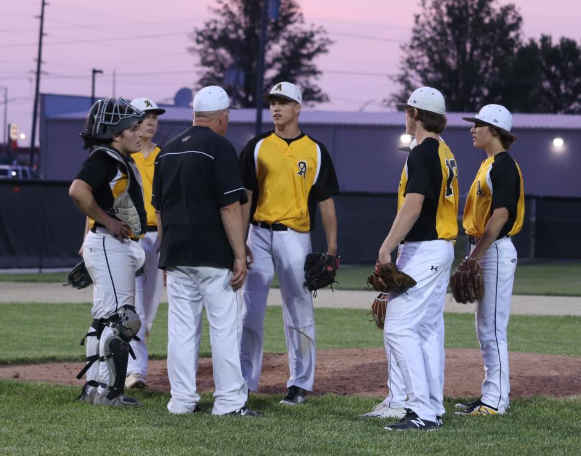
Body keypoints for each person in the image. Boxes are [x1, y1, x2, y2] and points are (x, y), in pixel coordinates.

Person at [152, 85, 257, 416]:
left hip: (176, 253)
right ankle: (228, 402)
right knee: (224, 327)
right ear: (223, 117)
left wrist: (167, 252)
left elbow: (160, 210)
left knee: (181, 330)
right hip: (212, 253)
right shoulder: (220, 147)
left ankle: (181, 401)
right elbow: (229, 207)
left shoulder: (166, 150)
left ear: (195, 113)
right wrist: (240, 253)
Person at [238, 81, 339, 405]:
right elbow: (246, 198)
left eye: (283, 102)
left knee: (299, 309)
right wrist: (240, 242)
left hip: (295, 235)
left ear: (298, 108)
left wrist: (332, 249)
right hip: (258, 233)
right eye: (272, 102)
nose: (276, 108)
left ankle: (299, 384)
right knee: (249, 312)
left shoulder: (315, 150)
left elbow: (325, 202)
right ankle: (244, 381)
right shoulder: (257, 146)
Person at [374, 87, 459, 431]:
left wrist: (386, 247)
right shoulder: (444, 151)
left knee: (398, 327)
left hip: (425, 248)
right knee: (426, 330)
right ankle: (433, 407)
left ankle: (420, 410)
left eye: (408, 110)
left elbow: (414, 203)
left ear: (416, 114)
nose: (405, 115)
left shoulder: (422, 152)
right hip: (439, 247)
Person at [70, 97, 147, 407]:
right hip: (108, 243)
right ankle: (111, 393)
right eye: (134, 128)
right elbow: (77, 190)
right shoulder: (105, 158)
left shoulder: (114, 157)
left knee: (103, 320)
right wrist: (107, 222)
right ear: (116, 134)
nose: (140, 133)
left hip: (106, 243)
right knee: (123, 320)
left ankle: (95, 387)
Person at [455, 104, 524, 416]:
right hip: (487, 250)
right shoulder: (490, 164)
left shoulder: (503, 165)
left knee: (493, 328)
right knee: (485, 327)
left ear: (495, 131)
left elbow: (501, 215)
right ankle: (490, 396)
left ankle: (496, 401)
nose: (473, 129)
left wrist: (474, 256)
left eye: (478, 125)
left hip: (494, 250)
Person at [124, 97, 166, 390]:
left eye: (154, 116)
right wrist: (87, 237)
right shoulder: (122, 155)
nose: (150, 121)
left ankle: (136, 356)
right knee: (135, 308)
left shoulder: (165, 156)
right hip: (129, 237)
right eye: (144, 116)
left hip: (158, 237)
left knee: (148, 310)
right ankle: (136, 370)